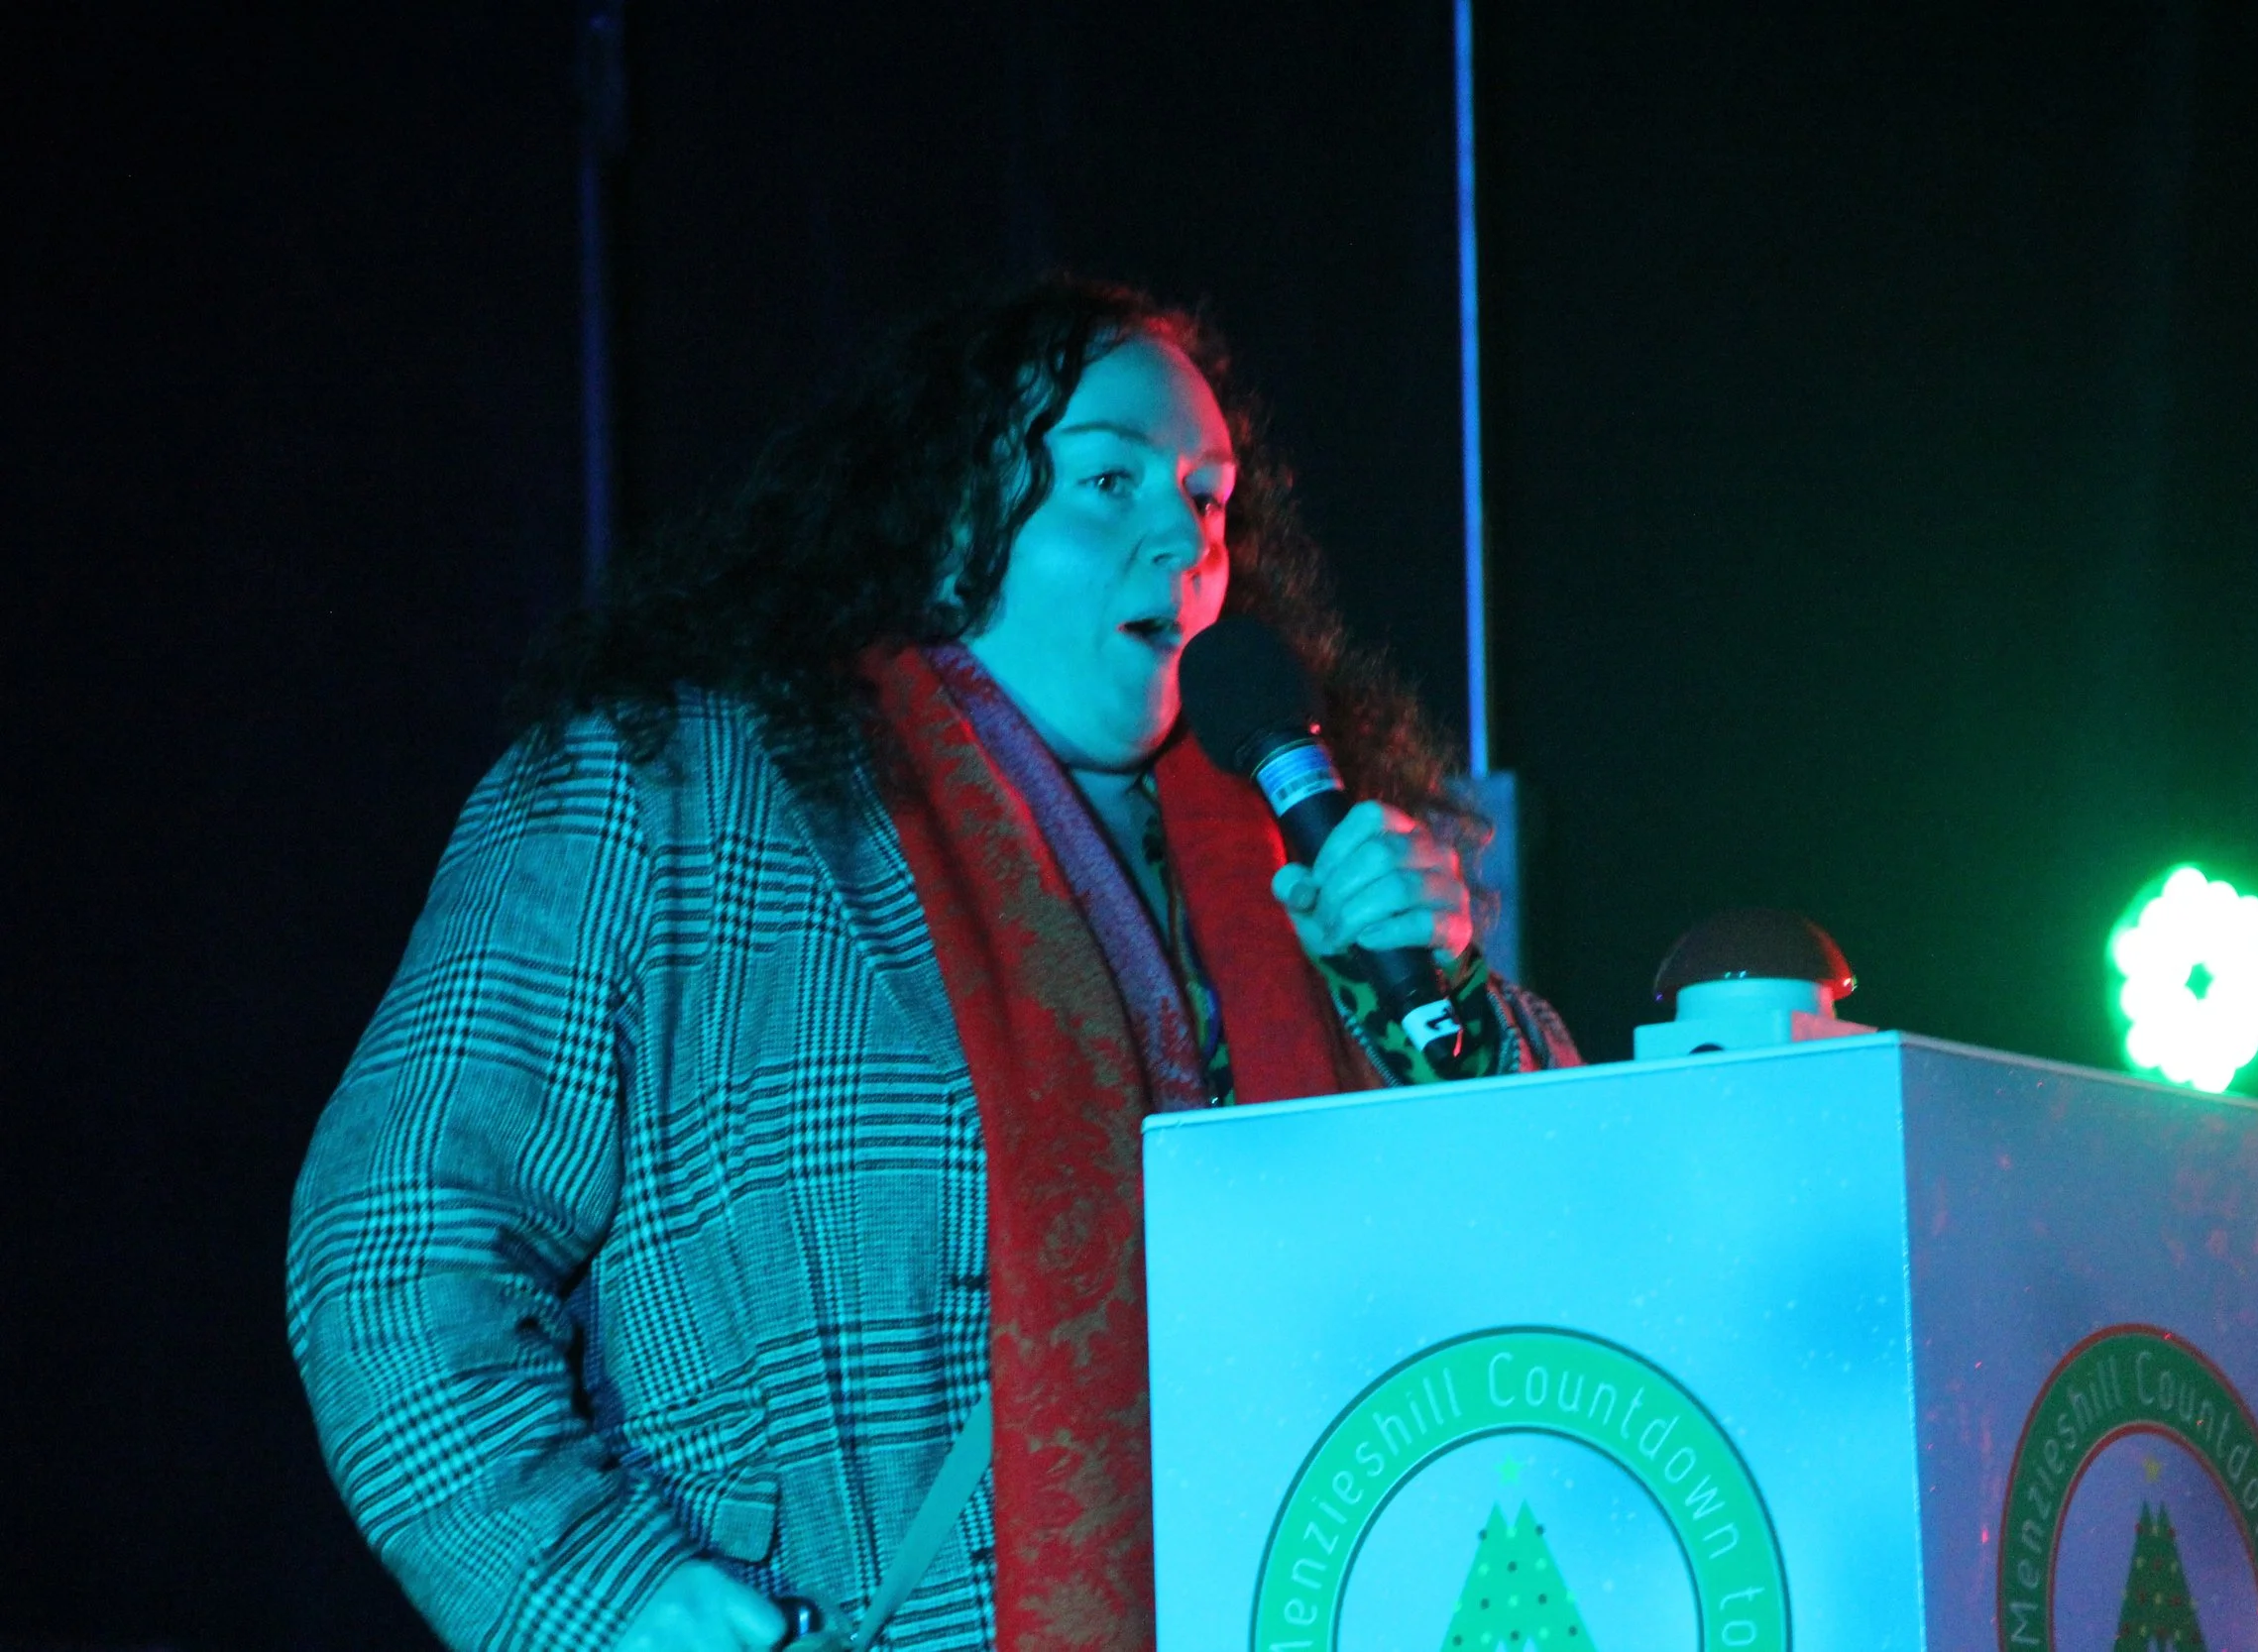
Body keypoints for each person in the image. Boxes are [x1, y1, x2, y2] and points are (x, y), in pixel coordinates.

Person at [287, 278, 1578, 1652]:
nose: (1184, 538)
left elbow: (1560, 1252)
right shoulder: (670, 794)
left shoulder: (1302, 866)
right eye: (1109, 480)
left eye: (1209, 498)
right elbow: (394, 1247)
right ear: (954, 516)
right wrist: (600, 1591)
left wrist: (1433, 987)